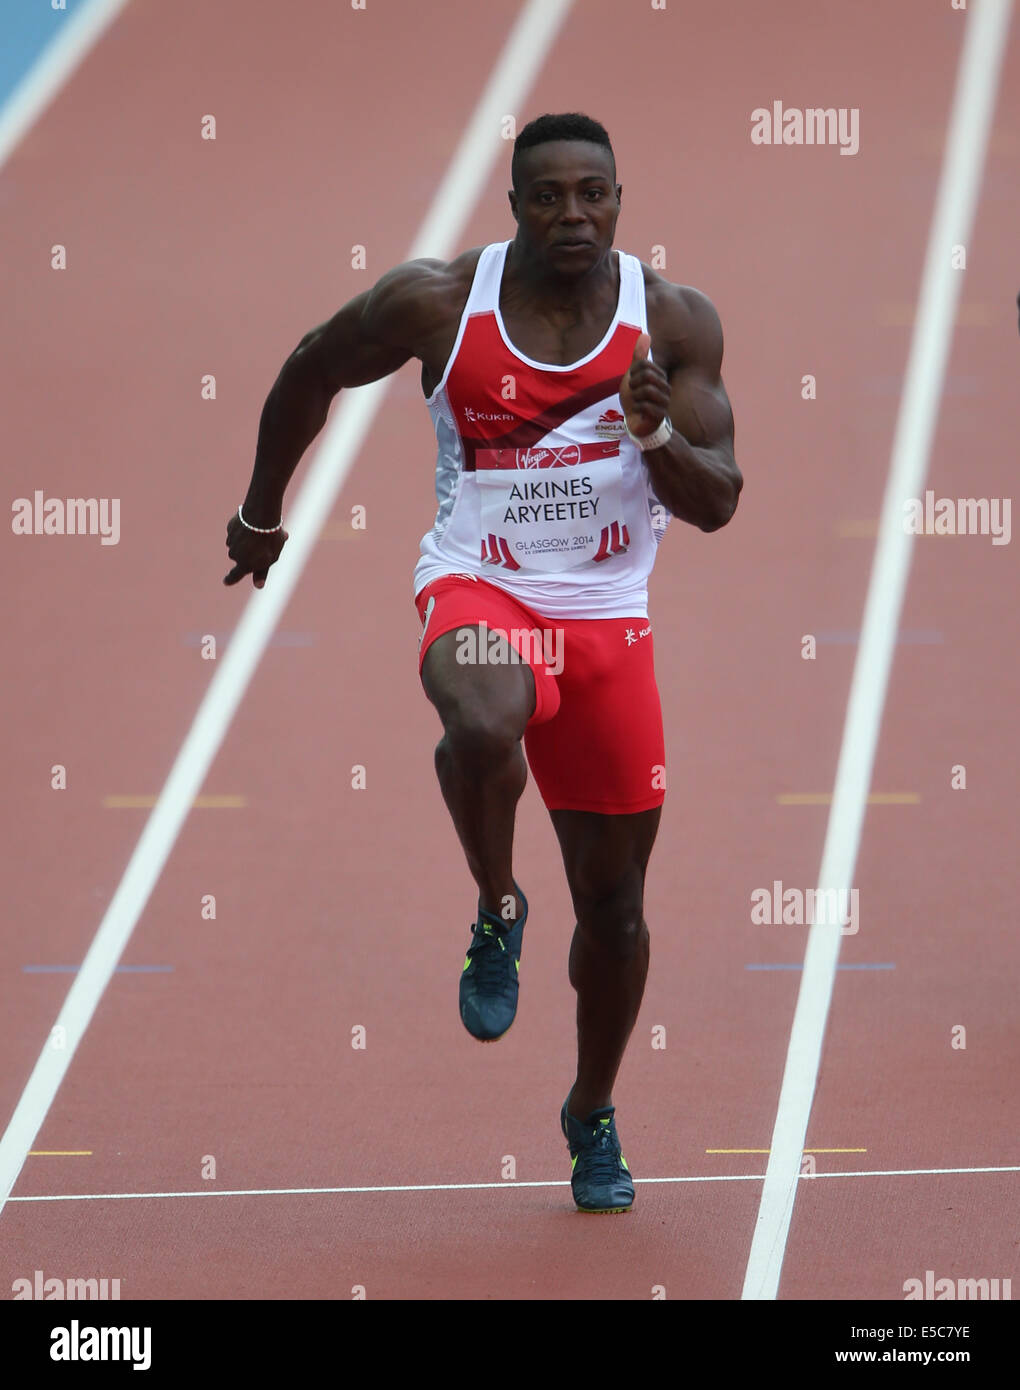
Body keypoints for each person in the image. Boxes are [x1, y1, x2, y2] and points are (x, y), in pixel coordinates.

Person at [224, 112, 741, 1213]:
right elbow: (311, 369)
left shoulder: (676, 323)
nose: (571, 214)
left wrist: (654, 437)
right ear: (513, 209)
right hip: (481, 584)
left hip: (606, 613)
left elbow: (721, 503)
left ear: (618, 201)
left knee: (616, 913)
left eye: (590, 194)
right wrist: (263, 512)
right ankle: (497, 904)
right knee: (483, 715)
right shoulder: (441, 303)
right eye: (546, 195)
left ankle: (591, 1112)